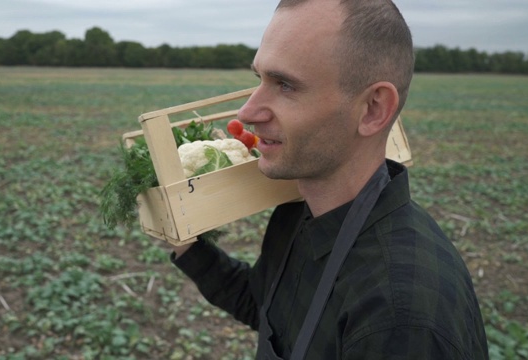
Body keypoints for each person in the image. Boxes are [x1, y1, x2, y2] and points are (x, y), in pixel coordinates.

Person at [171, 0, 489, 358]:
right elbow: (267, 310)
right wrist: (185, 242)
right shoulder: (301, 212)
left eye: (286, 85)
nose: (247, 112)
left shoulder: (401, 319)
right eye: (259, 79)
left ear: (373, 109)